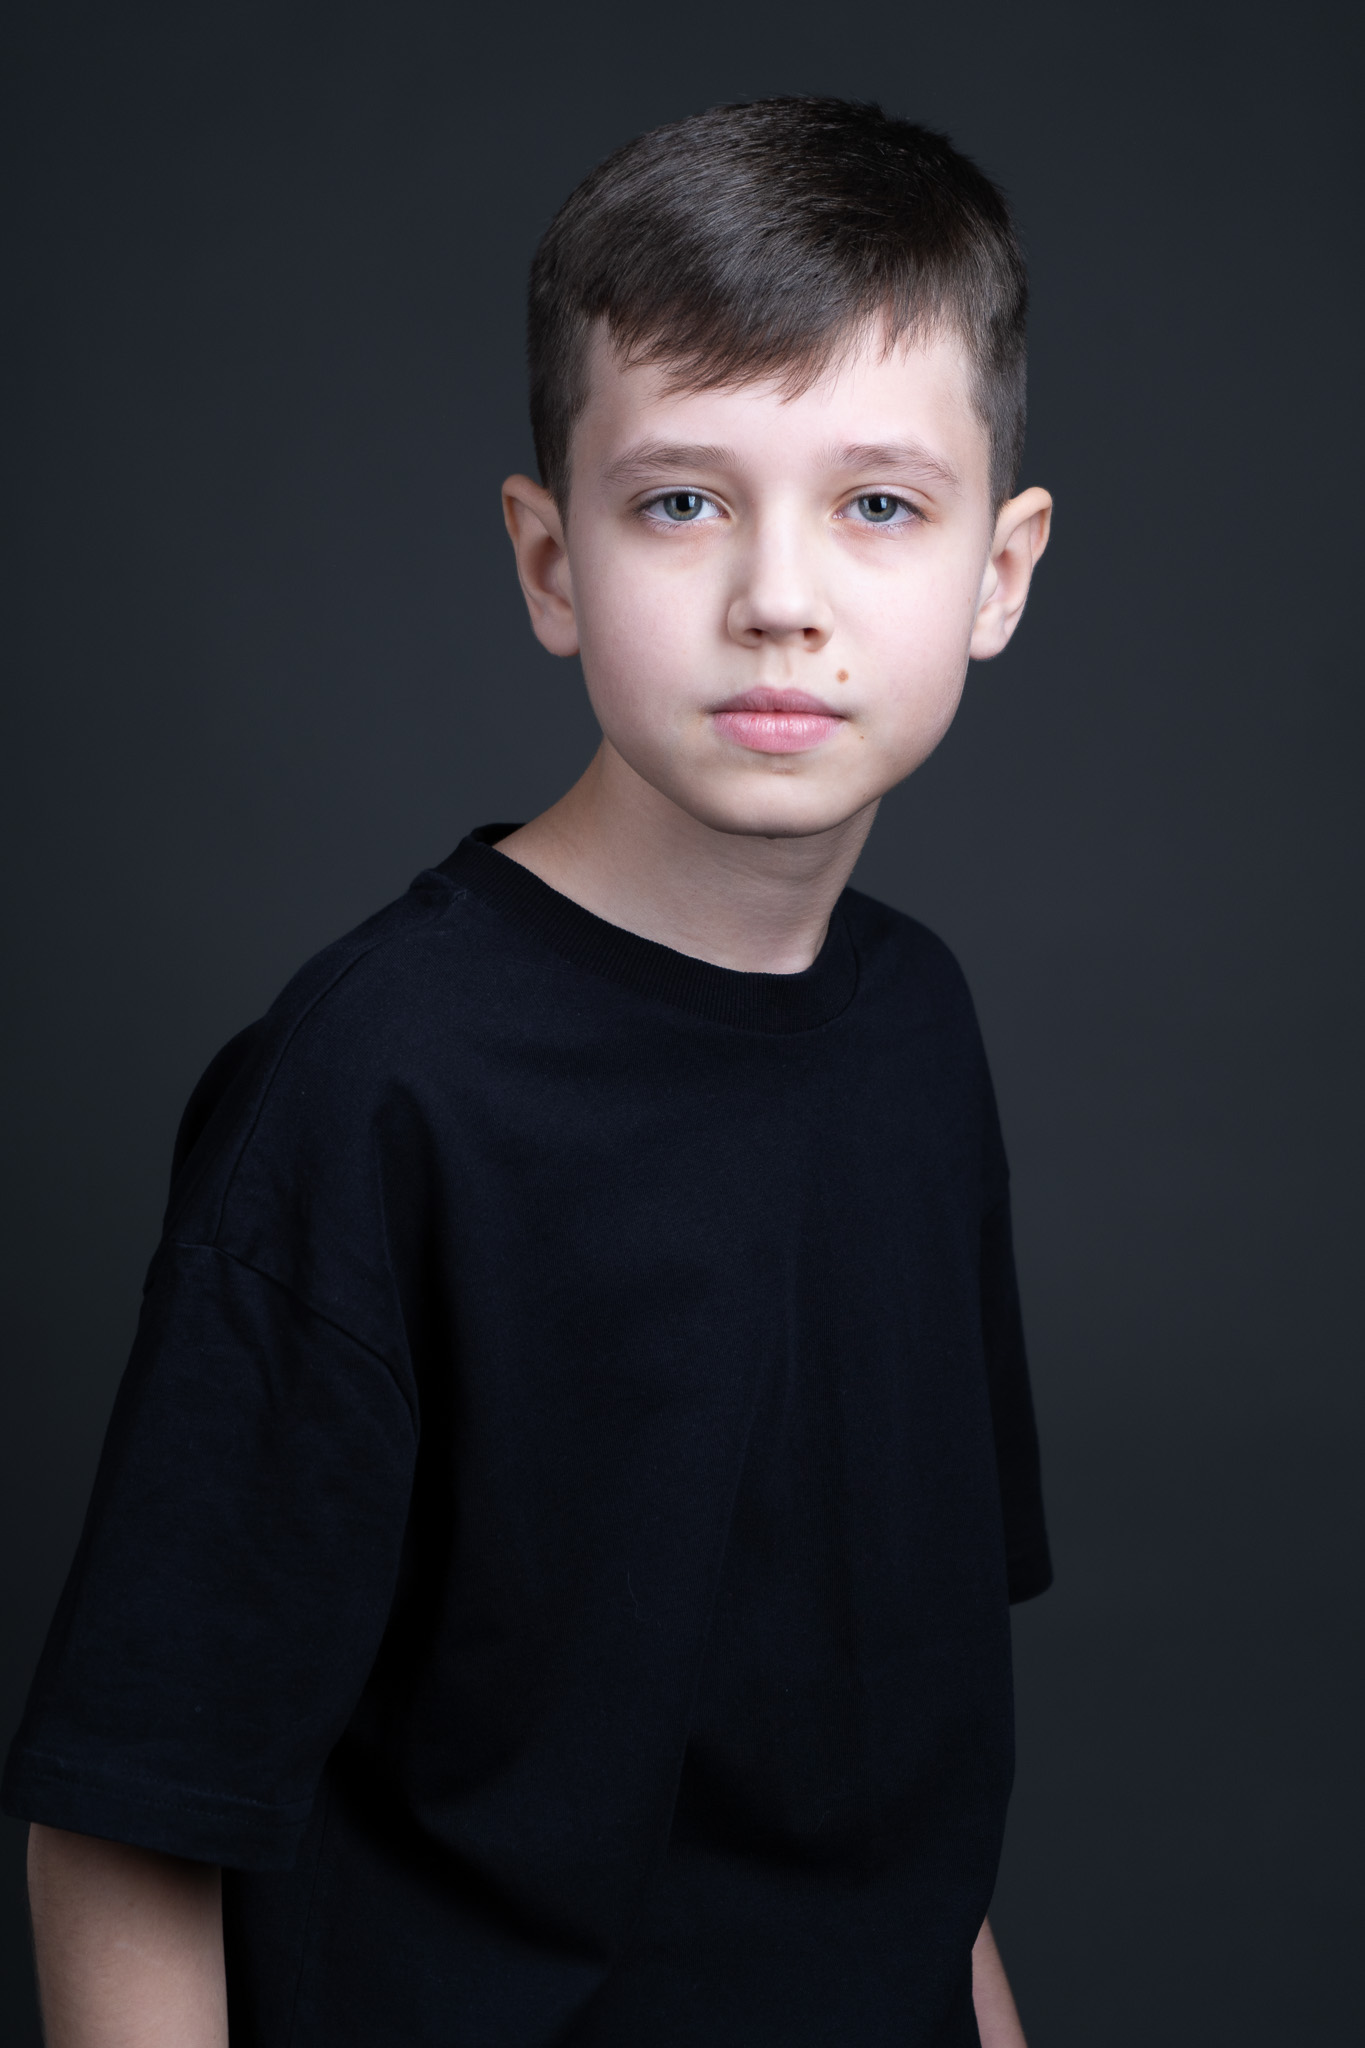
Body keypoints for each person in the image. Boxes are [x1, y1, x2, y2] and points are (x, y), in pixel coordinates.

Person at [4, 95, 1054, 2047]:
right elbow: (128, 1812)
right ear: (548, 559)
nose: (778, 597)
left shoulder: (917, 1028)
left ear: (997, 574)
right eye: (680, 502)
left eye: (876, 506)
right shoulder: (373, 1085)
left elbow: (899, 1806)